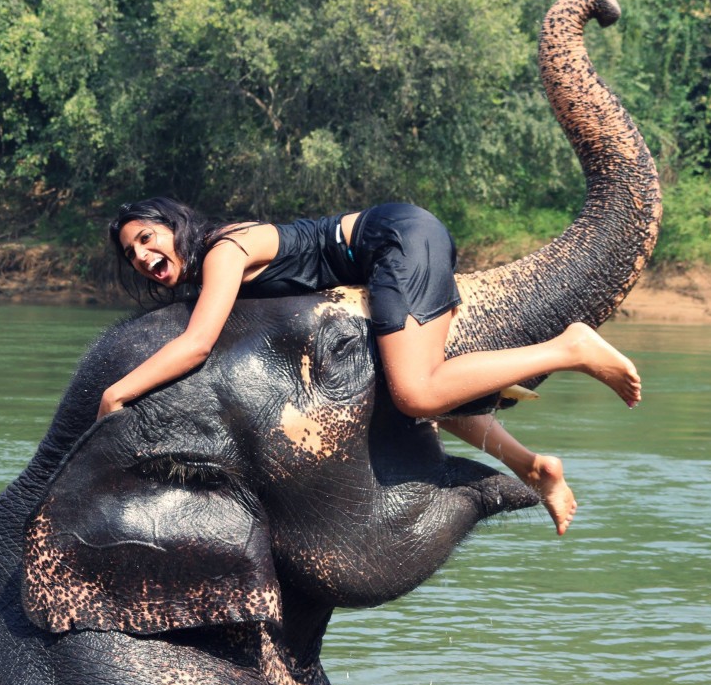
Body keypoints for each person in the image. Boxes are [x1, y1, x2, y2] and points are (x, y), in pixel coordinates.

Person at [101, 198, 642, 536]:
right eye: (131, 255)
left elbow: (197, 344)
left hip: (395, 241)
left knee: (416, 393)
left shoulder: (223, 251)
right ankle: (531, 466)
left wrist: (117, 395)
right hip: (397, 247)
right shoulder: (215, 266)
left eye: (147, 238)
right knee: (416, 395)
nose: (143, 257)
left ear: (174, 226)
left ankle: (570, 348)